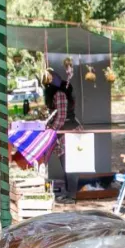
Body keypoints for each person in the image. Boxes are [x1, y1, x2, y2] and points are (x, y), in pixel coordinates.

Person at [45, 68, 83, 198]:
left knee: (69, 165)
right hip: (67, 131)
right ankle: (69, 193)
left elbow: (61, 116)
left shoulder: (59, 94)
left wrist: (51, 131)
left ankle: (72, 195)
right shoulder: (61, 93)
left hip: (68, 133)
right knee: (68, 164)